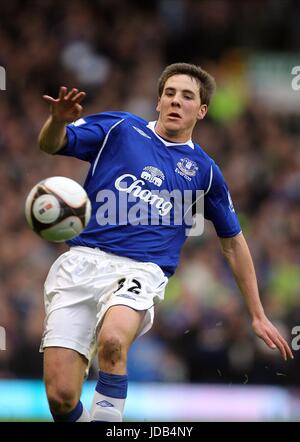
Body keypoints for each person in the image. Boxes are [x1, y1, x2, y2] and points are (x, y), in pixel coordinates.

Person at [38, 62, 293, 422]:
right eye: (169, 93)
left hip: (139, 271)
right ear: (158, 101)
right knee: (61, 398)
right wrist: (58, 120)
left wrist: (257, 314)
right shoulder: (120, 129)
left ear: (201, 110)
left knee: (113, 340)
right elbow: (51, 144)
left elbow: (233, 243)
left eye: (187, 96)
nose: (176, 101)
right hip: (80, 262)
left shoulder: (205, 172)